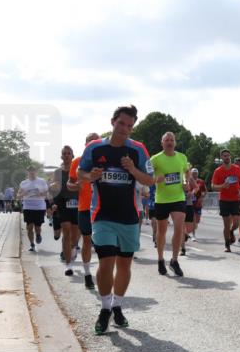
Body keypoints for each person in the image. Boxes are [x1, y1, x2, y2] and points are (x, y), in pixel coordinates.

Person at [77, 104, 154, 335]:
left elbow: (149, 181)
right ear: (112, 122)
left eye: (130, 126)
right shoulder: (95, 147)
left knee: (124, 264)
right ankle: (104, 308)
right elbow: (81, 173)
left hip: (129, 215)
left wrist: (132, 169)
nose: (124, 129)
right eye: (121, 123)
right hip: (102, 214)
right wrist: (90, 176)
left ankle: (117, 305)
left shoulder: (138, 150)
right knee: (106, 263)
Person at [150, 131, 189, 276]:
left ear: (175, 143)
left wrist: (185, 182)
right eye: (166, 140)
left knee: (179, 228)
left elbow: (186, 172)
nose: (169, 142)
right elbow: (147, 174)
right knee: (162, 232)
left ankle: (174, 260)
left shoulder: (182, 157)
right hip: (162, 199)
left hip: (178, 197)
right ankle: (160, 259)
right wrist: (155, 178)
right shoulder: (155, 159)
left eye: (171, 140)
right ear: (162, 143)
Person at [69, 132, 100, 289]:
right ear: (85, 145)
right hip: (85, 207)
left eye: (96, 141)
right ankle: (88, 274)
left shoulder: (105, 160)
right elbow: (70, 184)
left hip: (103, 207)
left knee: (103, 244)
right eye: (90, 142)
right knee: (87, 241)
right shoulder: (77, 162)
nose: (93, 144)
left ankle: (103, 274)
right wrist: (75, 186)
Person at [51, 146, 80, 275]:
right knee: (66, 232)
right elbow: (55, 188)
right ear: (61, 156)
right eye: (64, 153)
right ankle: (68, 265)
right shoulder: (58, 172)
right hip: (62, 203)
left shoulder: (78, 169)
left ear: (73, 156)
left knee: (74, 237)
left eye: (69, 153)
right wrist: (53, 200)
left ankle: (73, 248)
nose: (67, 155)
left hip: (78, 203)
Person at [211, 150, 240, 252]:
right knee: (226, 223)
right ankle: (227, 245)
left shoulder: (237, 169)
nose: (227, 157)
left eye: (228, 156)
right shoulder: (218, 171)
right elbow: (213, 186)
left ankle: (230, 231)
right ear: (221, 158)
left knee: (236, 223)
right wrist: (222, 186)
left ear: (230, 156)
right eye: (224, 156)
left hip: (235, 199)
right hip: (224, 199)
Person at [18, 167, 49, 252]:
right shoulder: (23, 183)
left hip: (39, 207)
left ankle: (38, 234)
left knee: (37, 226)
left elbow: (47, 192)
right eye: (30, 171)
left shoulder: (42, 181)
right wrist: (22, 194)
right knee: (29, 227)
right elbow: (18, 195)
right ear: (27, 172)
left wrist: (41, 193)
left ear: (36, 172)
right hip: (28, 207)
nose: (31, 173)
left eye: (33, 171)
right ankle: (32, 244)